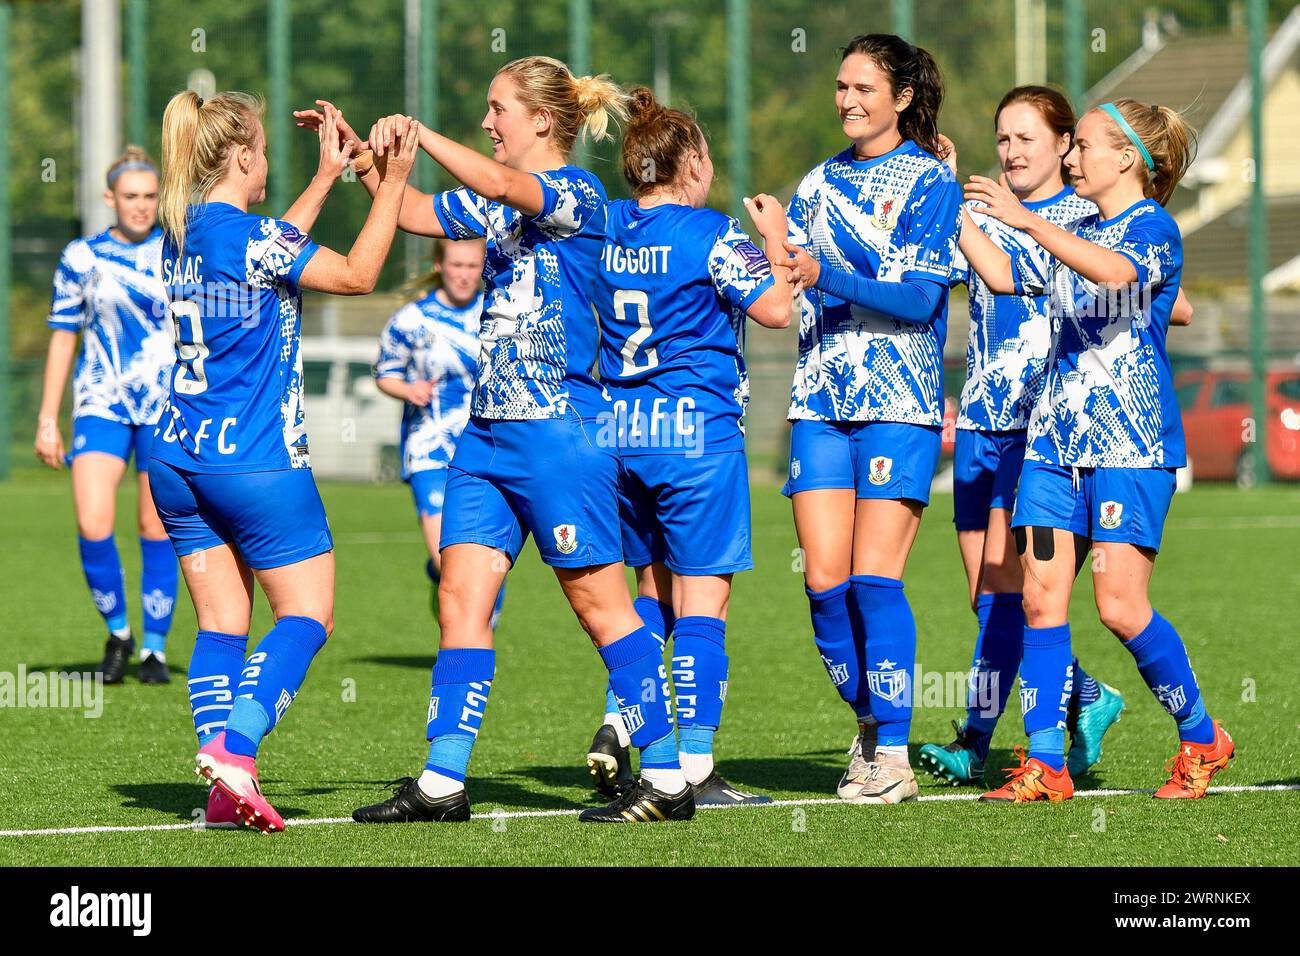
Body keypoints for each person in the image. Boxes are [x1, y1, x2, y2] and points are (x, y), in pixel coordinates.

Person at [323, 56, 694, 825]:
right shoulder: (497, 202)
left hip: (560, 432)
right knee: (461, 599)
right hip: (486, 436)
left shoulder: (579, 192)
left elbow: (499, 187)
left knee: (598, 606)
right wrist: (367, 158)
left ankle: (664, 776)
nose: (488, 123)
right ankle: (441, 783)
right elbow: (421, 212)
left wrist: (421, 131)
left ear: (541, 121)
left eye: (497, 110)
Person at [149, 93, 417, 831]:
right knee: (306, 613)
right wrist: (388, 182)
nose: (266, 160)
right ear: (240, 157)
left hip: (177, 460)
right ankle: (237, 749)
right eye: (262, 150)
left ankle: (222, 785)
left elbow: (264, 253)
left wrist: (328, 177)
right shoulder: (253, 235)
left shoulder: (181, 230)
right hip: (256, 462)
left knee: (222, 622)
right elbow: (360, 274)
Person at [958, 98, 1231, 802]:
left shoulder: (1154, 229)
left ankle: (1202, 734)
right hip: (1052, 445)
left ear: (1127, 158)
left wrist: (1029, 222)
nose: (1070, 158)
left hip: (1129, 448)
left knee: (1118, 607)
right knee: (1042, 599)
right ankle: (1046, 763)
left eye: (1081, 146)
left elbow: (1115, 274)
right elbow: (1001, 275)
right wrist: (951, 204)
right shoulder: (1070, 228)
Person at [582, 87, 794, 806]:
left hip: (619, 436)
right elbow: (775, 309)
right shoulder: (711, 233)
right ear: (692, 162)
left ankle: (626, 724)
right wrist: (775, 236)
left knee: (644, 598)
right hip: (694, 437)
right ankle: (696, 769)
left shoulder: (606, 225)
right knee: (703, 605)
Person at [917, 87, 1125, 788]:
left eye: (1027, 138)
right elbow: (932, 279)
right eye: (1002, 139)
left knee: (1012, 589)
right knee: (987, 595)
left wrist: (969, 210)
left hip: (1043, 430)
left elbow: (1012, 280)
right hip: (979, 420)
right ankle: (1087, 695)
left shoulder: (1082, 220)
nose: (1011, 152)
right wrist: (942, 198)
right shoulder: (980, 209)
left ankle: (977, 739)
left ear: (1066, 146)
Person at [781, 34, 962, 805]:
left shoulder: (929, 182)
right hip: (820, 397)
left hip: (899, 402)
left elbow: (921, 301)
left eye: (863, 88)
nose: (847, 100)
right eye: (840, 86)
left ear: (903, 97)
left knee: (872, 579)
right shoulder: (815, 183)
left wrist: (826, 273)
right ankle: (871, 725)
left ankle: (894, 754)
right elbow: (786, 288)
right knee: (824, 584)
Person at [36, 146, 179, 685]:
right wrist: (49, 418)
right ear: (109, 198)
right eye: (130, 197)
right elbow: (62, 338)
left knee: (154, 525)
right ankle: (119, 634)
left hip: (168, 406)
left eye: (149, 196)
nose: (141, 206)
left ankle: (156, 649)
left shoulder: (178, 252)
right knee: (93, 521)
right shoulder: (81, 257)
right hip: (102, 402)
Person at [374, 238, 504, 625]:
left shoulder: (498, 312)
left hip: (486, 446)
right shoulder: (411, 320)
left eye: (471, 266)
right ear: (439, 265)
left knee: (482, 556)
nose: (464, 275)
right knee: (447, 560)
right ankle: (446, 590)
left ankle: (472, 634)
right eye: (457, 266)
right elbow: (385, 373)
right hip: (429, 445)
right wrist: (408, 389)